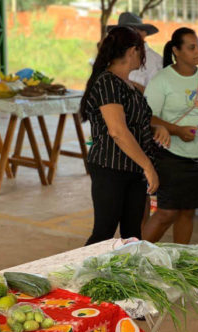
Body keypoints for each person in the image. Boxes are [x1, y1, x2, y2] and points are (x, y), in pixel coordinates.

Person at [80, 26, 169, 245]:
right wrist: (148, 166)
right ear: (132, 51)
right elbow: (117, 131)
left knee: (132, 235)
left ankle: (126, 278)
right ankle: (80, 277)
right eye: (141, 50)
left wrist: (155, 129)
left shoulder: (128, 84)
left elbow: (136, 121)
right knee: (104, 233)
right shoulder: (107, 82)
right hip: (111, 167)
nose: (143, 56)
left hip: (132, 168)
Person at [142, 28, 198, 244]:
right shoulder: (162, 80)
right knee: (166, 213)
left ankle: (181, 260)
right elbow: (146, 117)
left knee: (187, 212)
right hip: (172, 156)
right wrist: (177, 130)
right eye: (191, 47)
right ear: (176, 51)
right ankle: (133, 257)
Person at [108, 12, 162, 92]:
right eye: (122, 32)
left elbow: (159, 97)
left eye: (131, 31)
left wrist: (131, 85)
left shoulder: (155, 61)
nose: (126, 35)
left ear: (143, 33)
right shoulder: (112, 55)